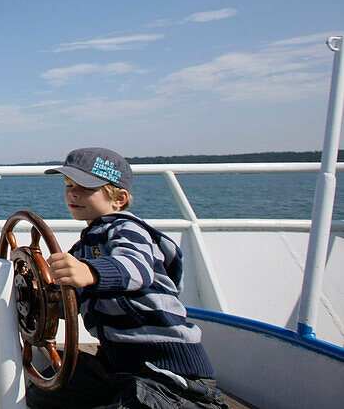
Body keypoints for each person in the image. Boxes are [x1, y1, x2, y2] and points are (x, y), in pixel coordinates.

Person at [27, 147, 227, 409]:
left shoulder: (128, 230)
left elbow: (136, 268)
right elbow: (69, 304)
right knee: (44, 394)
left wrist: (91, 272)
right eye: (69, 185)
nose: (73, 193)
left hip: (171, 375)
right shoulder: (83, 248)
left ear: (118, 198)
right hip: (119, 367)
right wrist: (36, 298)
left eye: (86, 188)